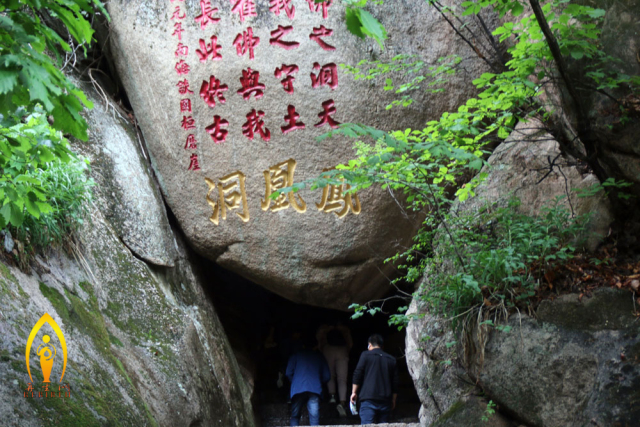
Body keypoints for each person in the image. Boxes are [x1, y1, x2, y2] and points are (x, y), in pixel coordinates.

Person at [350, 334, 399, 424]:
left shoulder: (365, 355)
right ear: (382, 346)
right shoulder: (391, 359)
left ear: (370, 344)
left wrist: (354, 392)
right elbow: (395, 382)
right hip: (385, 400)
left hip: (368, 399)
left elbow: (358, 374)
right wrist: (394, 399)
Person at [286, 335, 331, 426]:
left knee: (295, 416)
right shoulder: (319, 356)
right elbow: (327, 376)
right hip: (314, 389)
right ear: (316, 345)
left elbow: (288, 373)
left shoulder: (296, 355)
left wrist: (295, 382)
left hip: (297, 389)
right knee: (314, 419)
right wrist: (318, 382)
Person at [316, 323, 353, 417]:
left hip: (328, 349)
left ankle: (332, 396)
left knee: (330, 375)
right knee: (342, 379)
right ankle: (342, 402)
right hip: (342, 350)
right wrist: (347, 350)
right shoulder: (343, 328)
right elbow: (350, 342)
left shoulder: (325, 327)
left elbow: (318, 339)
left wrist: (322, 348)